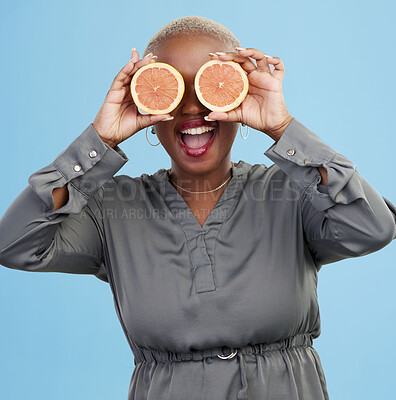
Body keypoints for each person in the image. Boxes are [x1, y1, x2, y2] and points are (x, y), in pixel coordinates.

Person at [0, 15, 395, 400]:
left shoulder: (293, 190)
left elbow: (372, 227)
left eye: (211, 86)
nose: (192, 108)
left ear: (239, 94)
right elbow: (15, 245)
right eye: (173, 89)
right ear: (147, 106)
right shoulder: (112, 208)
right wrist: (97, 141)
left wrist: (283, 127)